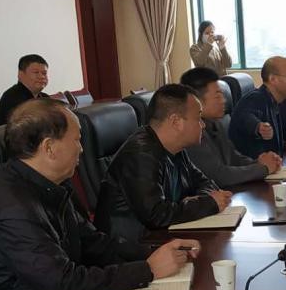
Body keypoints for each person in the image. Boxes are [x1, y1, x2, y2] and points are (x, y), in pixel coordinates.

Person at [0, 99, 199, 290]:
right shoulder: (11, 206)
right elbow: (61, 283)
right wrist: (147, 270)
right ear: (49, 147)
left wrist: (155, 253)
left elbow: (93, 243)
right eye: (76, 140)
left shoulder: (53, 183)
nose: (82, 149)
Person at [96, 84, 233, 242]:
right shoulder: (140, 154)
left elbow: (205, 183)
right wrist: (208, 203)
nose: (203, 124)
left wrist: (198, 201)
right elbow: (156, 215)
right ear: (176, 122)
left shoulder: (176, 148)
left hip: (163, 237)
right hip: (131, 247)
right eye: (198, 118)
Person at [180, 68, 281, 188]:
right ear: (197, 100)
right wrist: (263, 168)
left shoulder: (215, 123)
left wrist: (260, 162)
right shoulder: (192, 133)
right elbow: (219, 176)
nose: (224, 100)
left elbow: (234, 158)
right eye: (218, 96)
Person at [229, 56, 286, 158]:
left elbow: (269, 144)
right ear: (272, 79)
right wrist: (258, 127)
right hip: (254, 165)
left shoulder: (274, 100)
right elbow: (245, 116)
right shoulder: (256, 98)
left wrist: (285, 144)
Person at [0, 54, 51, 126]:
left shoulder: (45, 98)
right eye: (36, 72)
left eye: (44, 73)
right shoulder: (13, 97)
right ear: (20, 74)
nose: (41, 77)